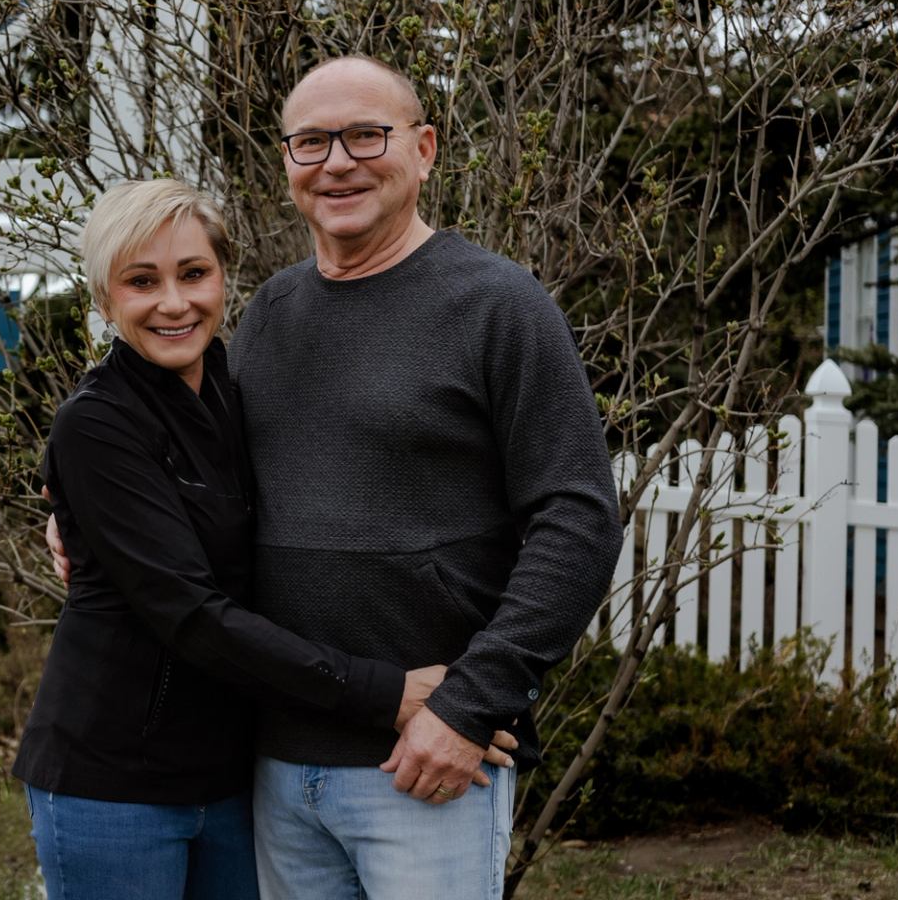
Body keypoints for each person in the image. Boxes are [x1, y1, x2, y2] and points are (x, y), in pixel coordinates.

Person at [48, 57, 622, 898]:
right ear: (287, 166)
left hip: (424, 760)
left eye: (366, 135)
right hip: (273, 764)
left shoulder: (499, 306)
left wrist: (471, 705)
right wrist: (74, 509)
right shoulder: (272, 314)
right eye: (311, 142)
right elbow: (190, 469)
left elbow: (579, 519)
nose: (338, 161)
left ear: (424, 150)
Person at [14, 178, 518, 900]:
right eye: (141, 282)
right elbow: (191, 614)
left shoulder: (234, 386)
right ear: (103, 299)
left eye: (194, 274)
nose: (174, 302)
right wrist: (389, 694)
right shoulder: (96, 426)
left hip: (228, 778)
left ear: (225, 278)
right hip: (113, 780)